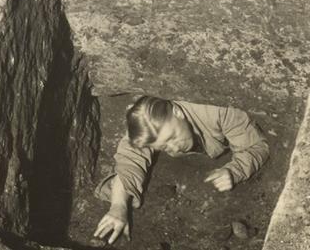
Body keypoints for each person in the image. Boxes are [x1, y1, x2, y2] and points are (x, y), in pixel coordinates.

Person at [92, 96, 270, 245]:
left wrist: (235, 170)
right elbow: (130, 160)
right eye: (164, 146)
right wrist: (118, 207)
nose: (175, 149)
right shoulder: (148, 121)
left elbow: (257, 146)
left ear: (177, 112)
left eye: (172, 138)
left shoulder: (219, 111)